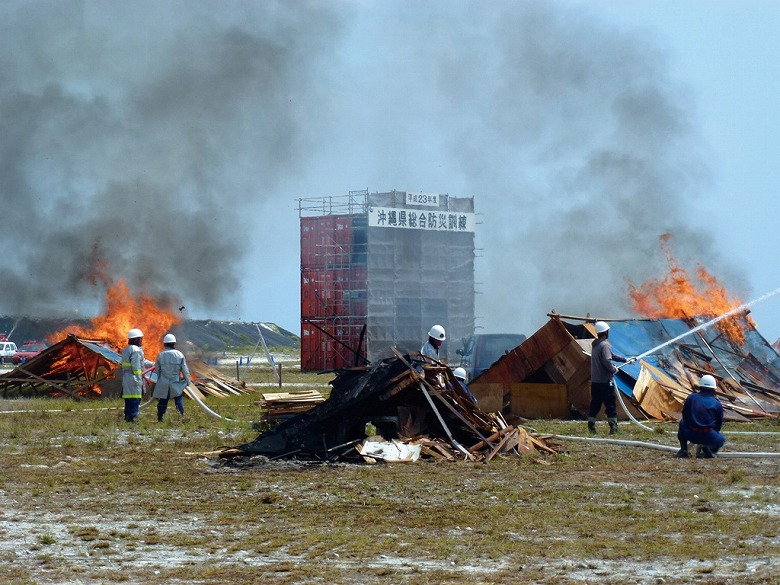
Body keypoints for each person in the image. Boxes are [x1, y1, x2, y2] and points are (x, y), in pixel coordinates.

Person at [588, 321, 630, 435]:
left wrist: (625, 360)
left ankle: (591, 427)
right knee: (610, 404)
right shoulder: (605, 345)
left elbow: (611, 356)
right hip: (605, 381)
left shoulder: (596, 345)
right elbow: (607, 360)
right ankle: (614, 428)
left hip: (596, 381)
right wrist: (614, 369)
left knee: (595, 404)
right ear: (606, 332)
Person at [676, 374, 725, 458]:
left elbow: (685, 415)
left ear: (700, 386)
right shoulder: (717, 403)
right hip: (708, 435)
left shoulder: (691, 398)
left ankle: (683, 449)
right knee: (721, 440)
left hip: (690, 434)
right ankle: (709, 448)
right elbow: (719, 424)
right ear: (713, 389)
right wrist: (713, 433)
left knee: (682, 422)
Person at [153, 333, 191, 422]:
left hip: (163, 381)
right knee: (178, 399)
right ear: (174, 343)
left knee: (162, 401)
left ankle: (160, 418)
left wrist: (159, 379)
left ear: (164, 344)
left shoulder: (160, 355)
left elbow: (157, 369)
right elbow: (185, 370)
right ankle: (181, 416)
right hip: (175, 381)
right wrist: (188, 381)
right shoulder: (179, 354)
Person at [121, 328, 153, 424]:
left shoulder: (127, 349)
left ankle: (127, 417)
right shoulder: (135, 350)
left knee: (128, 399)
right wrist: (141, 380)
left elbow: (142, 362)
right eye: (140, 339)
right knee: (135, 398)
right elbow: (136, 367)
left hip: (127, 377)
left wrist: (153, 364)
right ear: (135, 339)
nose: (141, 340)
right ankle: (133, 418)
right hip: (134, 377)